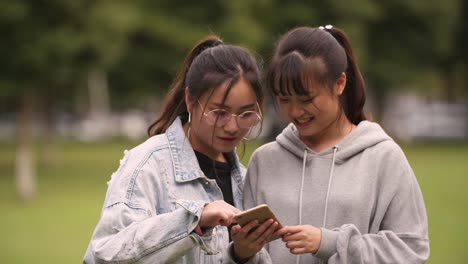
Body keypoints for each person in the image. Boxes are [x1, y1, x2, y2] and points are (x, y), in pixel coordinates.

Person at [243, 25, 430, 263]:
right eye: (284, 100)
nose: (295, 111)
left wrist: (330, 243)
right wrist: (240, 252)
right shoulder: (264, 160)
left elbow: (411, 249)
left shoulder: (383, 156)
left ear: (339, 83)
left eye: (306, 99)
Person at [83, 35, 277, 263]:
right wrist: (194, 221)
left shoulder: (246, 181)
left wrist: (241, 254)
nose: (233, 126)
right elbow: (104, 254)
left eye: (245, 114)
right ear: (190, 99)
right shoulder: (147, 165)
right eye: (219, 113)